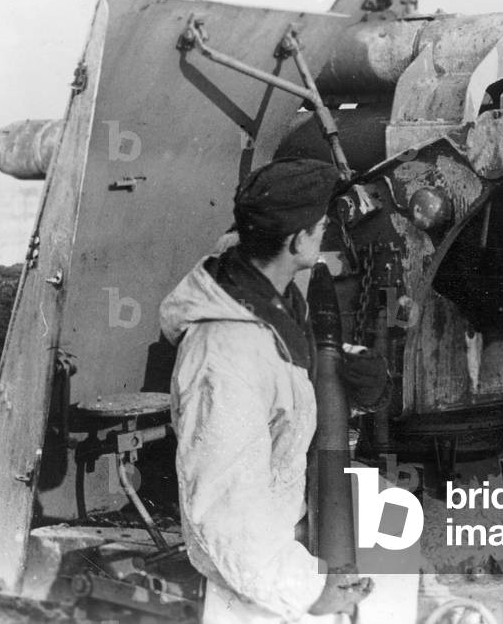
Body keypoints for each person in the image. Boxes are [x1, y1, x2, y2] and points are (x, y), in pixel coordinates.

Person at [159, 158, 373, 623]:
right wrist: (309, 593)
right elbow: (226, 508)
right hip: (257, 593)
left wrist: (349, 370)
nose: (326, 234)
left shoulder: (268, 296)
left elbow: (280, 367)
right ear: (298, 240)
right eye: (321, 226)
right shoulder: (222, 352)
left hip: (285, 563)